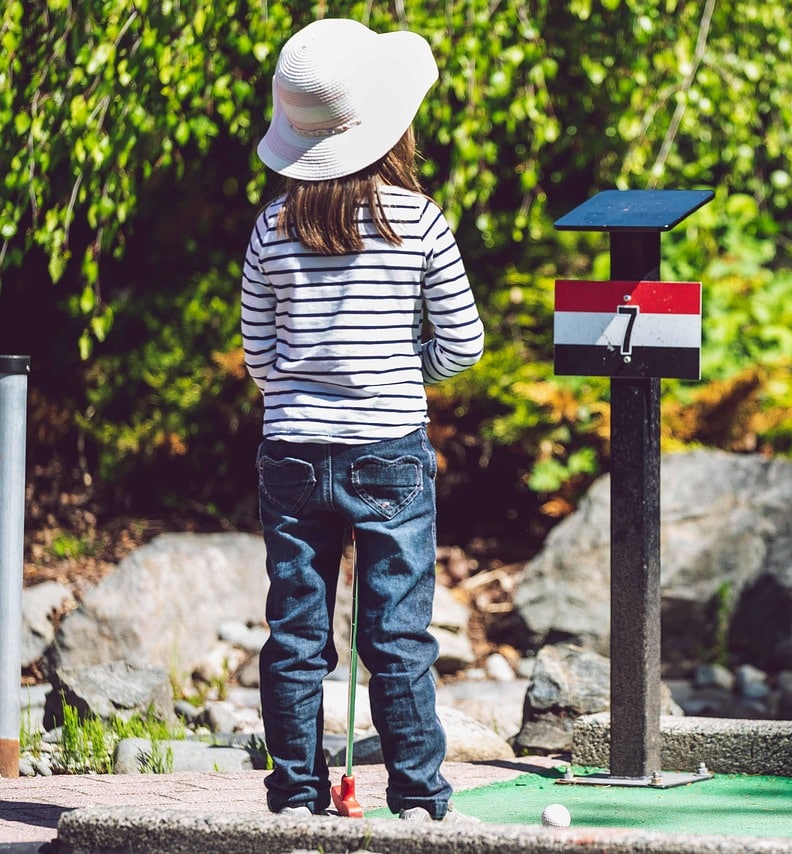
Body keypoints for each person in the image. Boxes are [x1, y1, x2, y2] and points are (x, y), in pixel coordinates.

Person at [239, 17, 484, 822]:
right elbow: (464, 341)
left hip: (293, 454)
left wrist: (305, 391)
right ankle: (417, 798)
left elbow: (258, 351)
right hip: (390, 451)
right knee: (398, 635)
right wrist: (404, 373)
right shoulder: (420, 220)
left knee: (296, 637)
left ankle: (296, 797)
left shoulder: (271, 227)